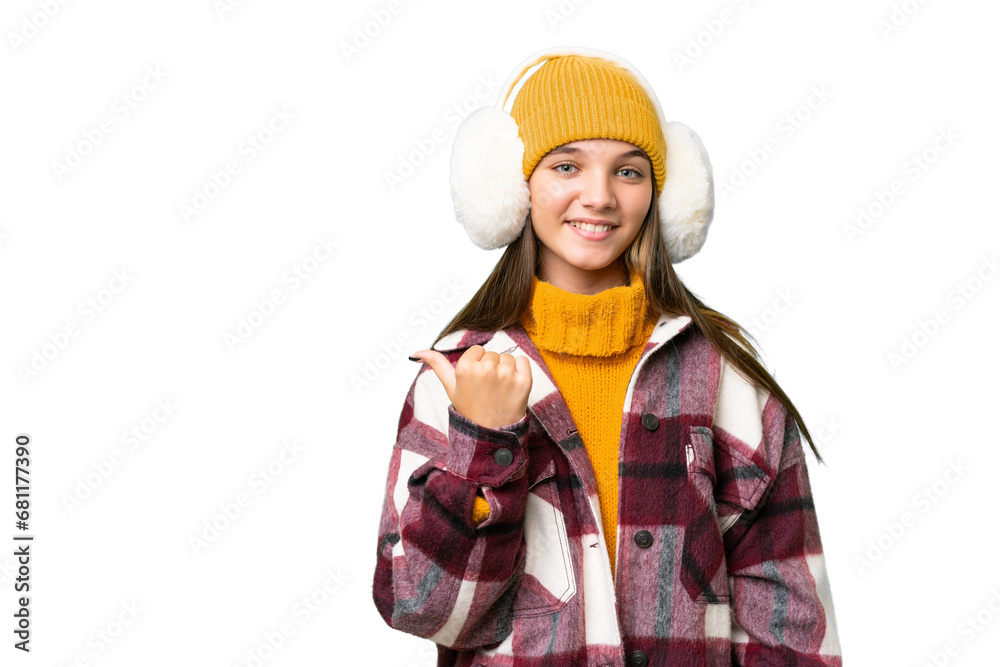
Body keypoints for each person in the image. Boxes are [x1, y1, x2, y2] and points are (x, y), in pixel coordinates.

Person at [372, 46, 842, 666]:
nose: (599, 196)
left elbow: (791, 630)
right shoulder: (458, 382)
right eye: (566, 166)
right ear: (512, 187)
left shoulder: (728, 381)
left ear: (664, 195)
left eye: (628, 171)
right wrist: (482, 446)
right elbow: (424, 610)